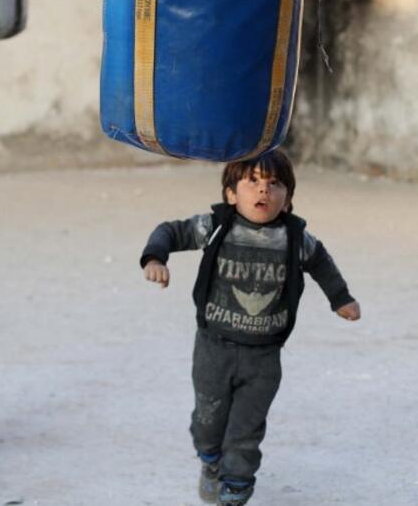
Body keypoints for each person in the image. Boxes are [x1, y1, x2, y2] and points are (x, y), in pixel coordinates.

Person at [140, 149, 360, 505]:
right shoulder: (217, 227)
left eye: (274, 185)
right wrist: (154, 257)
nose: (263, 191)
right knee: (208, 421)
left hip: (264, 355)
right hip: (214, 348)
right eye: (252, 181)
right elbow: (171, 231)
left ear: (287, 199)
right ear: (231, 193)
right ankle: (210, 460)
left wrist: (341, 298)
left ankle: (236, 487)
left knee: (247, 429)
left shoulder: (294, 238)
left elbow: (321, 262)